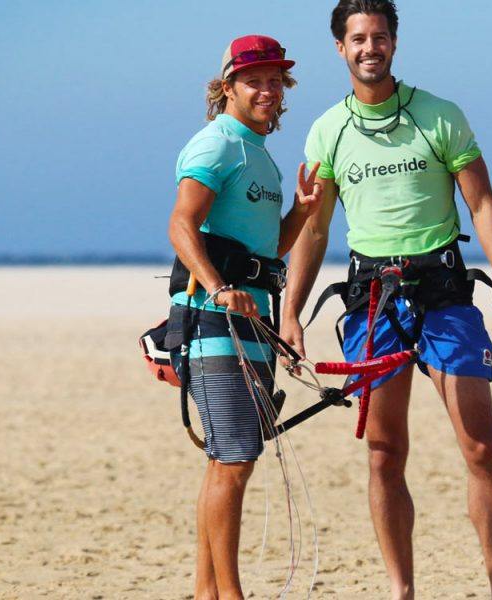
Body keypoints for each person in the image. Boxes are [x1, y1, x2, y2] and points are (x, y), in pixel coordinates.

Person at [280, 2, 492, 599]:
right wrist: (290, 311)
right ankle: (401, 590)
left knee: (479, 445)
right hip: (372, 299)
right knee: (385, 453)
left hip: (444, 293)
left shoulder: (439, 116)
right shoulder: (326, 131)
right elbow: (314, 230)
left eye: (381, 37)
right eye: (358, 39)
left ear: (395, 43)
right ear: (340, 48)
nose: (371, 48)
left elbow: (483, 204)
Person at [166, 35, 321, 600]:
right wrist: (220, 287)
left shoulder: (258, 153)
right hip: (213, 322)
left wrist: (300, 214)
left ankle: (209, 592)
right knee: (233, 456)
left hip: (251, 321)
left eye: (276, 80)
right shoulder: (218, 144)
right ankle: (229, 595)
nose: (267, 89)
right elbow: (181, 225)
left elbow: (269, 250)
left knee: (231, 459)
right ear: (227, 86)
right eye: (254, 79)